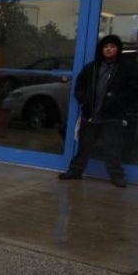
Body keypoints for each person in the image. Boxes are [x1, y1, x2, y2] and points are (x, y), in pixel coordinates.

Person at [59, 35, 138, 187]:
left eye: (112, 46)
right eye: (105, 47)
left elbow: (134, 89)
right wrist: (84, 99)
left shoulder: (127, 68)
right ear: (101, 49)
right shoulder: (92, 67)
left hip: (112, 117)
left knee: (113, 148)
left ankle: (117, 176)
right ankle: (75, 172)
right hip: (91, 115)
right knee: (84, 146)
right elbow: (79, 86)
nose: (108, 49)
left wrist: (118, 100)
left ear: (118, 49)